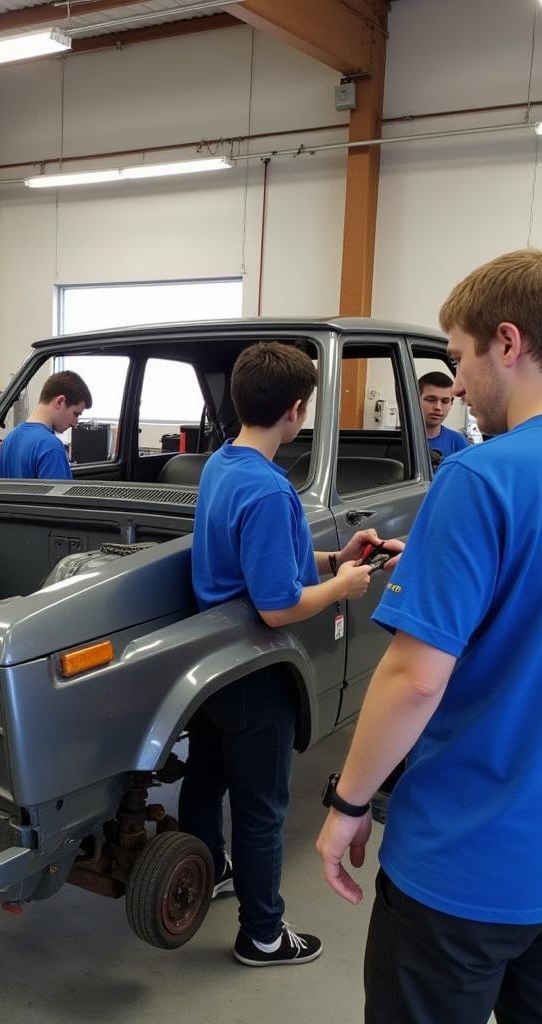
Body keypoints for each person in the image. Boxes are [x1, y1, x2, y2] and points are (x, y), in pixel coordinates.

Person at [316, 249, 542, 1023]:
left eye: (459, 359)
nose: (457, 389)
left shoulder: (480, 478)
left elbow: (414, 679)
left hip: (466, 866)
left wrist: (347, 804)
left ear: (506, 344)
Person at [183, 340, 402, 967]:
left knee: (206, 777)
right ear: (297, 410)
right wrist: (342, 588)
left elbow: (259, 565)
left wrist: (334, 559)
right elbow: (278, 606)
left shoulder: (224, 467)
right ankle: (262, 935)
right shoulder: (273, 492)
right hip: (256, 672)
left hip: (213, 668)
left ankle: (213, 869)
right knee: (261, 807)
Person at [0, 370, 91, 479]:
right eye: (76, 414)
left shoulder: (7, 441)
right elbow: (58, 496)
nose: (76, 423)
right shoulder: (51, 447)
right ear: (60, 402)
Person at [418, 370, 470, 462]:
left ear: (451, 404)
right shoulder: (399, 439)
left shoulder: (458, 442)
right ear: (416, 400)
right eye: (431, 400)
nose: (438, 407)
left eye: (445, 401)